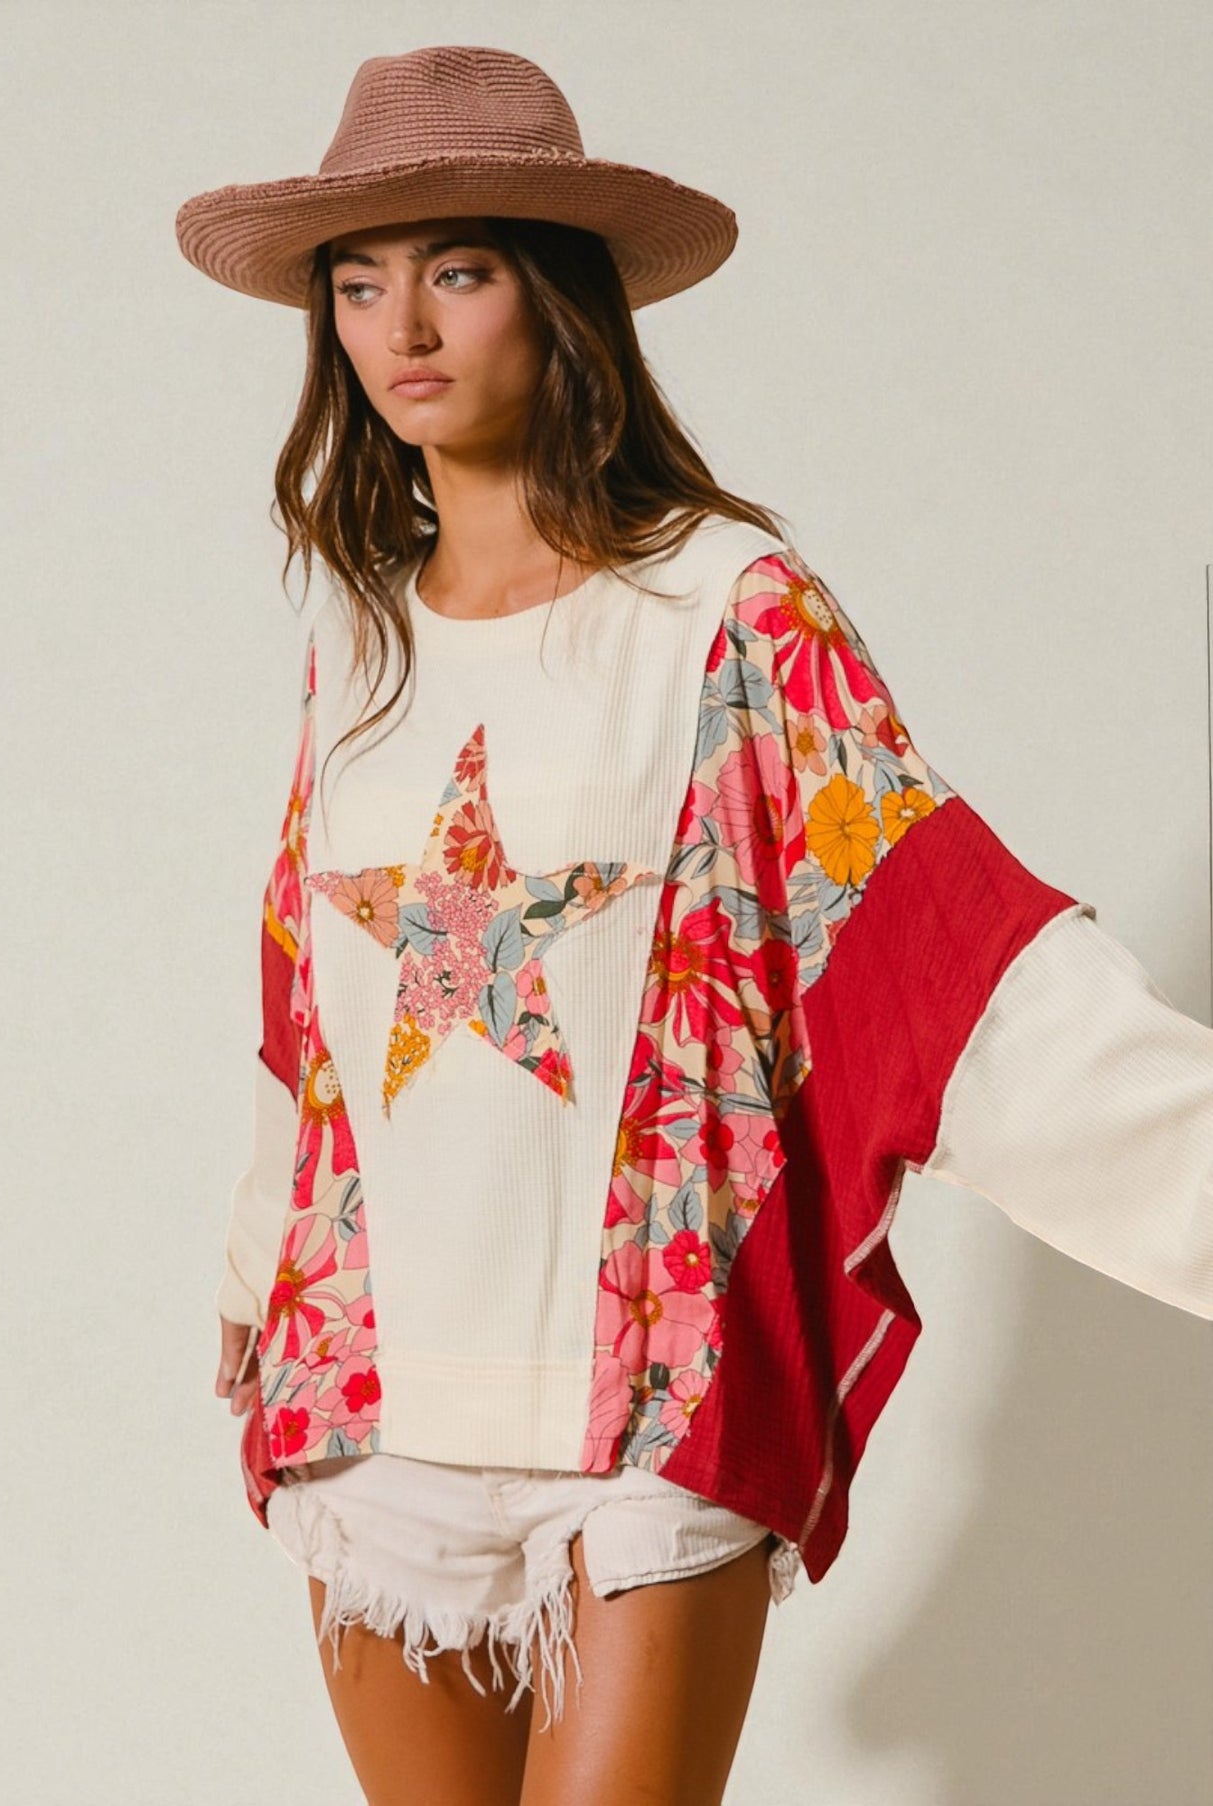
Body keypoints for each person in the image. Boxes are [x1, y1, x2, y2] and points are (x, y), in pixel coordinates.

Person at [175, 45, 1213, 1806]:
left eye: (460, 270)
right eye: (358, 283)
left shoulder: (724, 606)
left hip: (645, 1379)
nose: (402, 326)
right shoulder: (357, 650)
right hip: (366, 1377)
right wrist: (244, 1268)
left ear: (557, 296)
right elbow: (309, 1015)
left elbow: (939, 952)